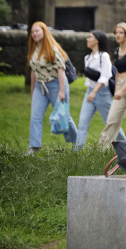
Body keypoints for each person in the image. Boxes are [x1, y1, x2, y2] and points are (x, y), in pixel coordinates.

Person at [27, 21, 77, 152]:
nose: (34, 34)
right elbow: (33, 72)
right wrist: (32, 91)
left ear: (44, 32)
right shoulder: (34, 49)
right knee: (35, 116)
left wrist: (61, 91)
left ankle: (76, 143)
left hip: (56, 84)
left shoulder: (53, 49)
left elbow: (61, 70)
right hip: (40, 86)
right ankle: (34, 147)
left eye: (37, 31)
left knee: (64, 115)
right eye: (32, 32)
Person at [75, 30, 125, 150]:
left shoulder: (104, 56)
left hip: (102, 95)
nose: (87, 39)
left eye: (90, 37)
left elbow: (105, 77)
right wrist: (90, 91)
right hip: (90, 93)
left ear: (97, 40)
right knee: (82, 124)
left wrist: (94, 92)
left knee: (112, 124)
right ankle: (77, 152)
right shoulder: (87, 58)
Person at [98, 22, 126, 149]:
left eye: (120, 33)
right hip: (121, 85)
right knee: (112, 119)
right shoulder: (117, 51)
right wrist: (117, 89)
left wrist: (122, 90)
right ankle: (102, 148)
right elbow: (117, 71)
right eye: (116, 33)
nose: (117, 35)